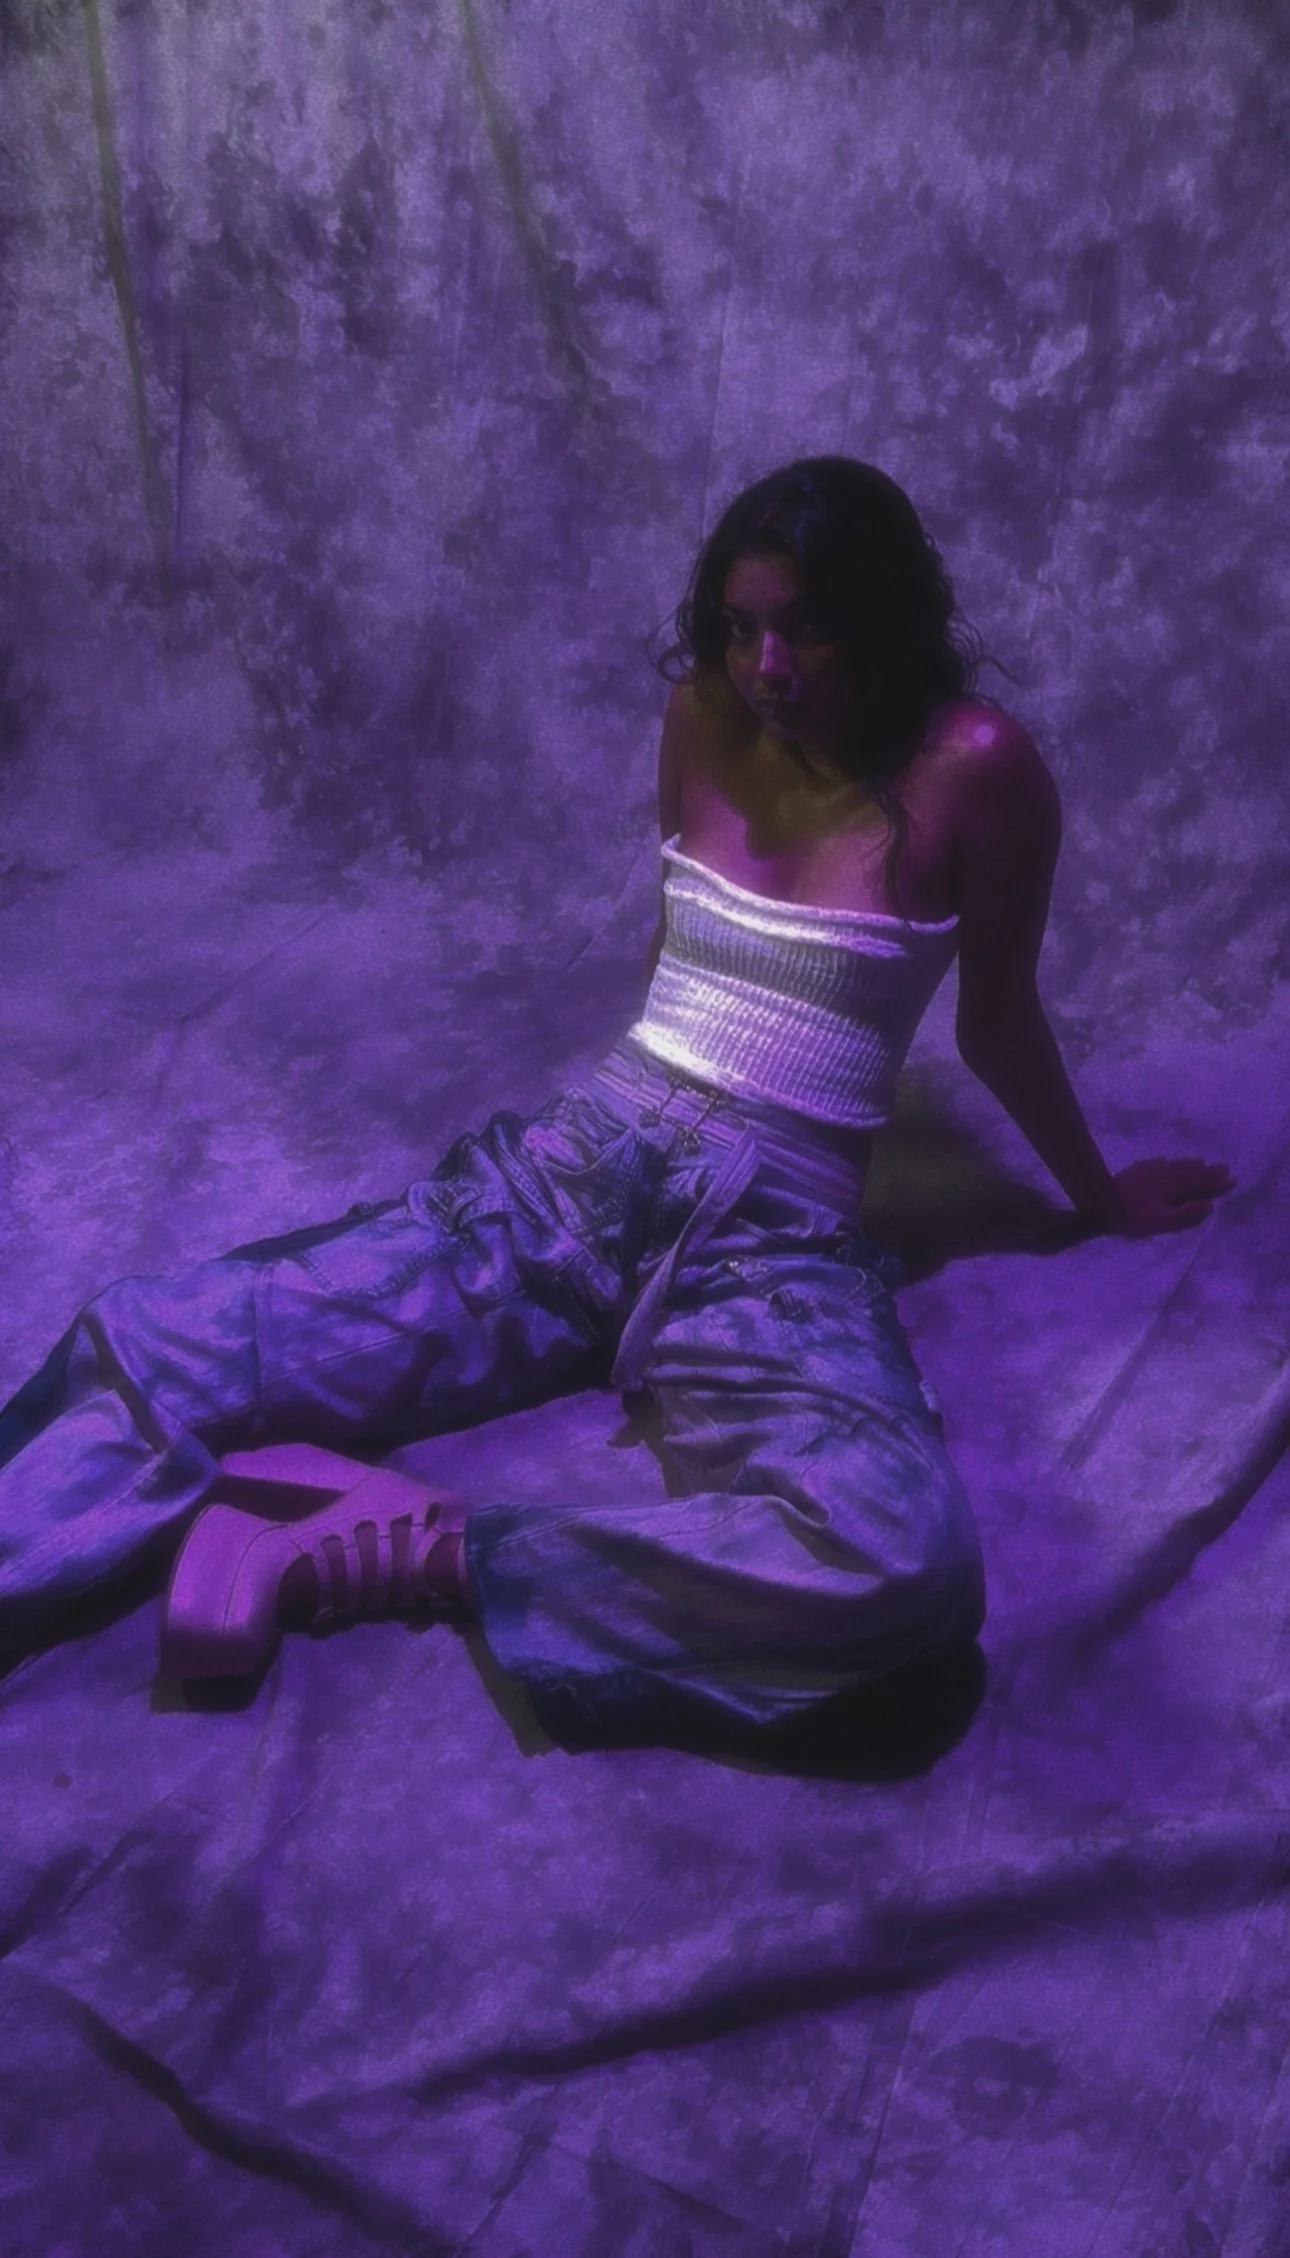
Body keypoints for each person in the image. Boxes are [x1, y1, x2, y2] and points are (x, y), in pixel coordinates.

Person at [0, 457, 1233, 1746]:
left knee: (904, 1563)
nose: (769, 666)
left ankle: (397, 1547)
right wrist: (585, 1146)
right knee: (155, 1340)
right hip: (579, 1179)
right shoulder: (702, 711)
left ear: (880, 619)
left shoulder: (977, 763)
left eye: (808, 626)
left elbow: (998, 1021)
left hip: (771, 1248)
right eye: (742, 625)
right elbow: (681, 959)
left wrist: (1096, 1193)